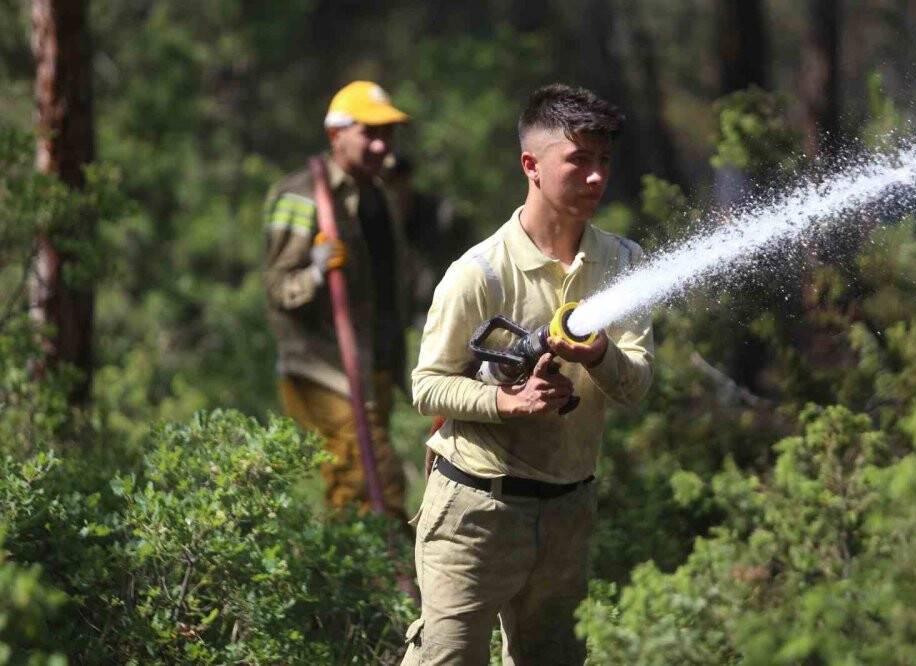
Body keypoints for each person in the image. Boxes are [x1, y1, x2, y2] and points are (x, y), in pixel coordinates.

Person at [402, 84, 654, 665]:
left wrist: (596, 354)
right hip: (474, 509)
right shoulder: (478, 273)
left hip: (569, 509)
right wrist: (508, 403)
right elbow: (428, 386)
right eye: (579, 161)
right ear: (531, 166)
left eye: (605, 162)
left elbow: (635, 386)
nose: (596, 177)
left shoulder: (624, 265)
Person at [262, 80, 410, 526]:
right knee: (375, 484)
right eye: (370, 132)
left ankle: (351, 586)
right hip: (324, 371)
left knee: (352, 492)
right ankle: (386, 582)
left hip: (372, 366)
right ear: (335, 135)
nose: (381, 144)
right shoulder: (301, 195)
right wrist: (314, 273)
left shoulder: (376, 194)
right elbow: (278, 286)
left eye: (388, 133)